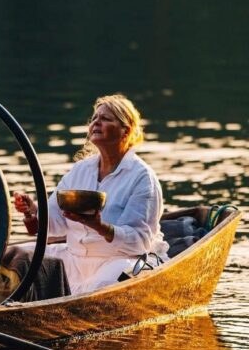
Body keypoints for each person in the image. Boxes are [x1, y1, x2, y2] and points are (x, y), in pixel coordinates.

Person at [11, 94, 168, 296]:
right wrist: (32, 211)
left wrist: (100, 227)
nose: (96, 122)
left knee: (103, 285)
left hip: (120, 260)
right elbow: (53, 224)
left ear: (126, 131)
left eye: (106, 118)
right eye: (94, 118)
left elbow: (140, 242)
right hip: (75, 258)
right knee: (16, 257)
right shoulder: (80, 170)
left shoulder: (142, 177)